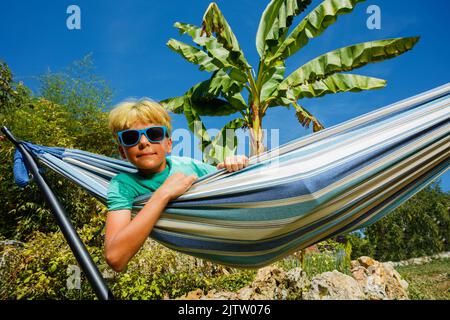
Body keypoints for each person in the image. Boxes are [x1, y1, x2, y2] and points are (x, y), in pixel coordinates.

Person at [104, 98, 249, 272]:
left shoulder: (188, 166)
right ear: (122, 151)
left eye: (154, 134)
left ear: (169, 145)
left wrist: (233, 166)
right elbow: (115, 258)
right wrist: (163, 194)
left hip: (230, 239)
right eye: (130, 137)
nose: (143, 142)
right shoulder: (122, 185)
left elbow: (232, 186)